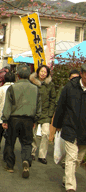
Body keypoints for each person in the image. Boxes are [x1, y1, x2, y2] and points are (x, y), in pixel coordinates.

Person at [2, 64, 41, 178]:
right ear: (29, 75)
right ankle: (26, 160)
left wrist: (5, 119)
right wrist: (35, 118)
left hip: (14, 118)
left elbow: (7, 105)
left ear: (17, 75)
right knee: (27, 143)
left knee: (10, 141)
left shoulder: (12, 88)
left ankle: (10, 165)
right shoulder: (35, 89)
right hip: (28, 119)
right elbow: (38, 106)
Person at [52, 63, 86, 192]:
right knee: (71, 157)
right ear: (82, 74)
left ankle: (67, 178)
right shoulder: (70, 87)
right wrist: (57, 125)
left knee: (78, 159)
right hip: (70, 127)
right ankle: (70, 187)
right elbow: (61, 106)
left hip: (85, 131)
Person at [29, 64, 56, 164]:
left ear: (48, 74)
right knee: (32, 133)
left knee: (45, 133)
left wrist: (50, 113)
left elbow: (53, 99)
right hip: (34, 112)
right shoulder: (32, 82)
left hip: (45, 113)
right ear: (38, 72)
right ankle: (32, 151)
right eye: (41, 71)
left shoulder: (50, 85)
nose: (43, 74)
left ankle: (42, 155)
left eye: (45, 72)